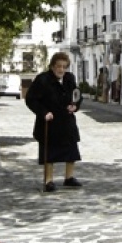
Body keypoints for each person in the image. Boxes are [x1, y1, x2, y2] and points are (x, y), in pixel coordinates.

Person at [25, 52, 83, 192]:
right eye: (58, 66)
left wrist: (74, 106)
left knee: (71, 150)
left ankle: (69, 177)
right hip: (49, 121)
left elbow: (77, 94)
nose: (61, 70)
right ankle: (48, 180)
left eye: (64, 67)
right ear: (52, 66)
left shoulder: (70, 78)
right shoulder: (42, 80)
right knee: (49, 152)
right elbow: (31, 99)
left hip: (66, 120)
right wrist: (44, 112)